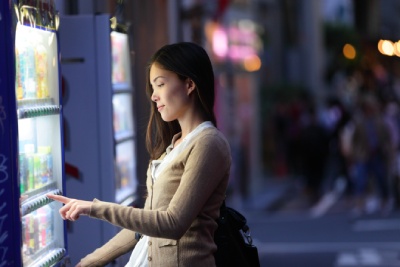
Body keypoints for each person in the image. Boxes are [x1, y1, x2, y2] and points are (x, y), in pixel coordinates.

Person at [48, 42, 232, 267]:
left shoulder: (208, 143)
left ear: (189, 84)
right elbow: (142, 228)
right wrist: (88, 263)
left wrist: (93, 208)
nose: (154, 96)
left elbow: (172, 223)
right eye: (153, 88)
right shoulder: (174, 145)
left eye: (161, 84)